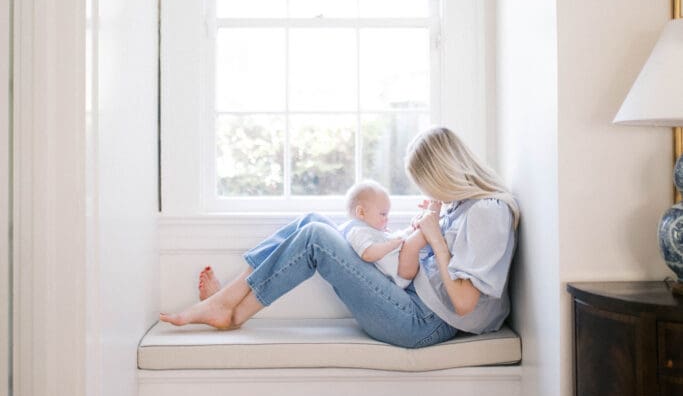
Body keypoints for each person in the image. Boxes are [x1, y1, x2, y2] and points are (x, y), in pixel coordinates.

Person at [160, 126, 520, 348]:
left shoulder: (488, 211)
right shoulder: (462, 206)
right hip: (411, 298)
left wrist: (435, 239)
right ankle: (228, 306)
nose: (427, 190)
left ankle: (227, 308)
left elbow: (464, 304)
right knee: (312, 220)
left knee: (316, 237)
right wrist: (428, 228)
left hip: (421, 323)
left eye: (426, 182)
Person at [340, 179, 428, 289]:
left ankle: (426, 215)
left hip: (401, 259)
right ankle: (430, 216)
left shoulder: (370, 229)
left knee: (413, 230)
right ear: (361, 212)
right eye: (383, 214)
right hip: (400, 271)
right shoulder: (357, 231)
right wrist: (390, 245)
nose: (387, 218)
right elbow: (368, 253)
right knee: (420, 234)